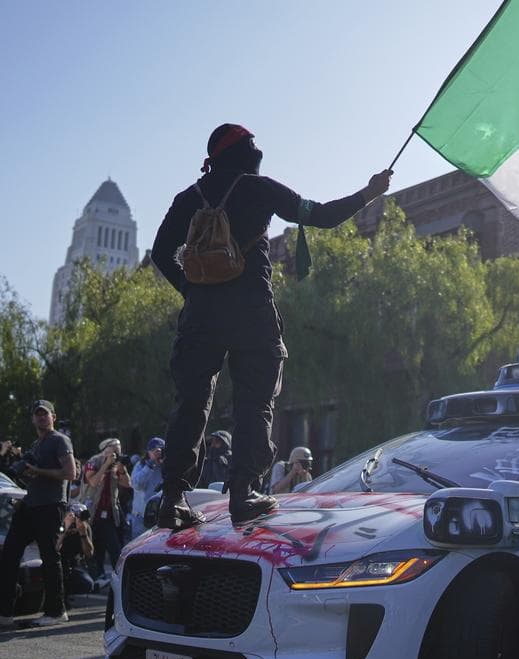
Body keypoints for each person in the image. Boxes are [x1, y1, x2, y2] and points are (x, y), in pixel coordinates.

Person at [151, 122, 391, 527]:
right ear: (241, 151)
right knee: (255, 402)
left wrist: (193, 292)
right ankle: (243, 494)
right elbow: (321, 216)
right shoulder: (258, 189)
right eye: (253, 143)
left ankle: (172, 498)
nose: (259, 150)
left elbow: (161, 252)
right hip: (252, 313)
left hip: (200, 318)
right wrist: (369, 192)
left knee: (191, 404)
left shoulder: (187, 197)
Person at [0, 399, 76, 627]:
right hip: (30, 505)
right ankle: (3, 612)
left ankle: (56, 611)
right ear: (32, 419)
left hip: (50, 506)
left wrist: (38, 471)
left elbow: (70, 473)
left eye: (45, 414)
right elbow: (30, 474)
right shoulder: (37, 444)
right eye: (37, 414)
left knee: (50, 558)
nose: (41, 418)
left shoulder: (60, 440)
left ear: (53, 417)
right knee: (10, 553)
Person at [81, 437, 132, 579]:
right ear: (105, 449)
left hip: (111, 512)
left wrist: (121, 470)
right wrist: (106, 464)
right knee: (98, 547)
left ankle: (118, 576)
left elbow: (128, 484)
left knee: (115, 547)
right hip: (93, 512)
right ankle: (98, 576)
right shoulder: (94, 461)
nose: (118, 449)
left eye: (120, 446)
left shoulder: (118, 463)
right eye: (115, 446)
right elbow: (93, 482)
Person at [57, 502, 100, 607]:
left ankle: (66, 593)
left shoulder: (84, 527)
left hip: (74, 565)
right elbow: (55, 548)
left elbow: (89, 553)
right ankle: (59, 596)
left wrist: (83, 534)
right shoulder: (60, 524)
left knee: (87, 584)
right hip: (58, 562)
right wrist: (65, 530)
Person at [129, 437, 165, 539]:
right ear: (148, 452)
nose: (158, 453)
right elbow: (136, 485)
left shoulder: (166, 466)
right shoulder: (141, 465)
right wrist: (150, 465)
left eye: (161, 450)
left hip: (160, 516)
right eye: (155, 451)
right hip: (141, 516)